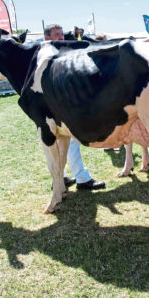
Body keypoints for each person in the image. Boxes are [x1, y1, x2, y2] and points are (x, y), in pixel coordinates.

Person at [43, 24, 105, 191]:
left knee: (60, 144)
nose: (61, 38)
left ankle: (61, 177)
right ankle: (81, 178)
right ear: (47, 38)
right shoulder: (46, 56)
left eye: (62, 34)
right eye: (57, 34)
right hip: (55, 107)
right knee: (70, 142)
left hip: (60, 105)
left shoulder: (55, 53)